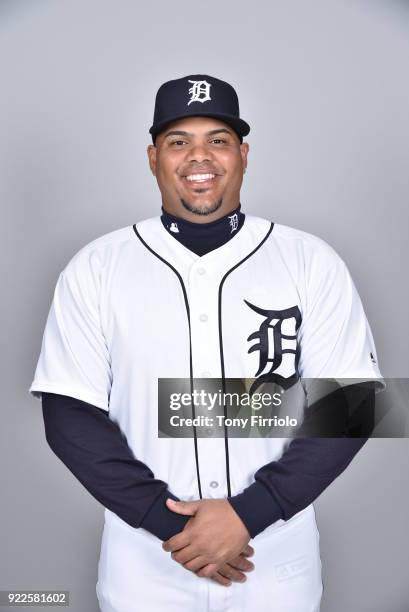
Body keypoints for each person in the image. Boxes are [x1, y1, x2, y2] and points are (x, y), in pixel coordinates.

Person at [29, 74, 384, 612]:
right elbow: (68, 416)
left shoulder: (310, 261)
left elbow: (353, 406)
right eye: (179, 142)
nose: (201, 156)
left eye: (218, 140)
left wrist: (252, 513)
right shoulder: (97, 267)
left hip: (273, 560)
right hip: (146, 564)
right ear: (153, 158)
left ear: (242, 154)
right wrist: (168, 525)